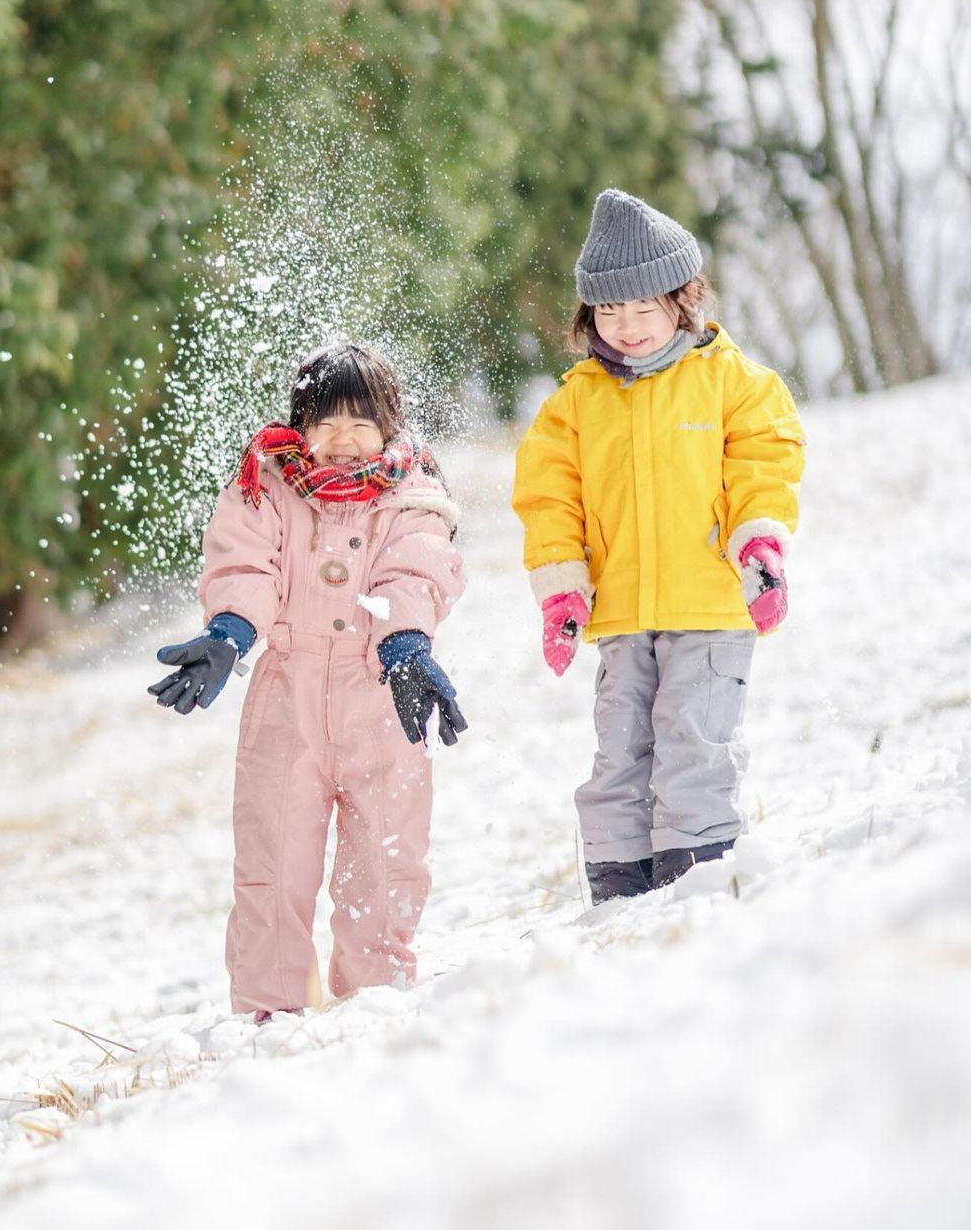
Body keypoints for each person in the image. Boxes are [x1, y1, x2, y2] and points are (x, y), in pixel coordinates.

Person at [149, 343, 467, 1020]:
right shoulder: (265, 487)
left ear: (391, 424)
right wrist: (230, 630)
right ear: (300, 425)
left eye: (361, 422)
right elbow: (245, 563)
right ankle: (269, 1009)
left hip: (383, 699)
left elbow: (415, 570)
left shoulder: (414, 496)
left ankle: (375, 997)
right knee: (273, 861)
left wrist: (406, 642)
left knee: (386, 858)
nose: (344, 439)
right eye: (326, 423)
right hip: (285, 704)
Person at [512, 189, 805, 902]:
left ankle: (697, 877)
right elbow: (549, 496)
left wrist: (758, 549)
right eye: (609, 312)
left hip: (709, 603)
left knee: (692, 741)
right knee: (619, 751)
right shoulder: (576, 402)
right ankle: (619, 887)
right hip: (621, 613)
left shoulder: (731, 381)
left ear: (683, 299)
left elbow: (764, 463)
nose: (627, 326)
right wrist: (561, 590)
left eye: (643, 308)